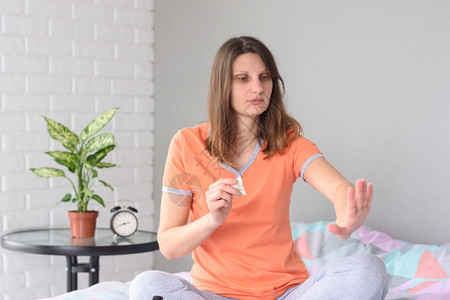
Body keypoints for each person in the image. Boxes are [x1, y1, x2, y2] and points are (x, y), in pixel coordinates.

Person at [130, 36, 388, 300]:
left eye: (264, 77)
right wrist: (212, 220)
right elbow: (169, 246)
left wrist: (348, 214)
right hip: (213, 294)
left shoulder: (289, 143)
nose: (258, 88)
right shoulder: (186, 143)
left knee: (368, 269)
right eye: (243, 78)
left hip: (287, 293)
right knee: (146, 285)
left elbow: (338, 187)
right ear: (223, 85)